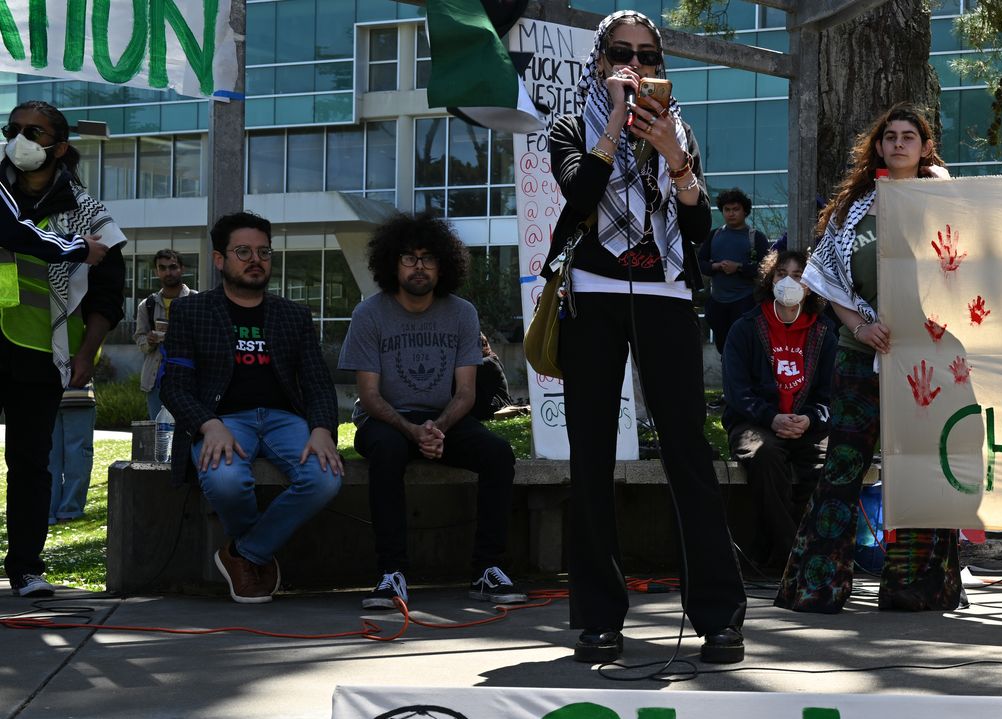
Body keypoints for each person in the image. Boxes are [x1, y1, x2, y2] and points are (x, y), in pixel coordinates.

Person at [545, 9, 746, 664]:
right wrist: (613, 119)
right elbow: (579, 198)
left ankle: (719, 616)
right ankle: (598, 618)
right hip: (595, 295)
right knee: (592, 455)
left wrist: (675, 161)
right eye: (623, 54)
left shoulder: (677, 128)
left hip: (664, 294)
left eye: (650, 56)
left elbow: (696, 234)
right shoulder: (571, 125)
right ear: (600, 62)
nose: (638, 65)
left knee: (688, 449)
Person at [777, 103, 964, 614]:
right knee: (843, 467)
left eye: (910, 136)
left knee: (920, 471)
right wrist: (860, 324)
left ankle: (917, 586)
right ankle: (818, 586)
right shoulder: (852, 210)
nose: (899, 143)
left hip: (926, 362)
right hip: (861, 356)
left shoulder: (946, 204)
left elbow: (967, 274)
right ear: (878, 147)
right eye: (890, 136)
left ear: (925, 147)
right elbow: (828, 282)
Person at [339, 210, 526, 611]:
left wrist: (436, 428)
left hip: (446, 419)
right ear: (393, 263)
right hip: (385, 419)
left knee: (497, 454)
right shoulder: (368, 314)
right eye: (409, 257)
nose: (418, 266)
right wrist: (413, 431)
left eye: (428, 257)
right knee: (386, 452)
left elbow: (466, 392)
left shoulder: (462, 312)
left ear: (444, 264)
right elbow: (369, 396)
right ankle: (392, 574)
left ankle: (486, 569)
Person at [160, 211, 344, 603]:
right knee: (226, 482)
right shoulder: (192, 312)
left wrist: (323, 429)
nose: (254, 259)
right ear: (219, 259)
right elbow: (173, 386)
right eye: (242, 251)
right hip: (223, 420)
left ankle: (244, 553)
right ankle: (256, 553)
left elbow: (316, 382)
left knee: (325, 478)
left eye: (263, 251)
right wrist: (208, 424)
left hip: (284, 420)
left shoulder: (293, 315)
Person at [0, 100, 114, 597]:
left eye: (35, 131)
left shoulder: (88, 210)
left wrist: (87, 352)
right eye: (14, 129)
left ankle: (25, 567)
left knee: (31, 462)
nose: (21, 138)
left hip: (40, 353)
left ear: (60, 146)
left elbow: (109, 290)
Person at [721, 247, 834, 570]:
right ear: (770, 280)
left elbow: (830, 396)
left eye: (798, 276)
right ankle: (794, 557)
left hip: (806, 426)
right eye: (782, 274)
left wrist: (809, 419)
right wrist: (772, 417)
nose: (790, 282)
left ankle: (794, 551)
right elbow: (736, 392)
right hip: (754, 423)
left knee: (827, 465)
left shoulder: (824, 333)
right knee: (765, 455)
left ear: (810, 285)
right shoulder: (746, 327)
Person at [697, 188, 769, 351]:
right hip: (718, 302)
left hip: (745, 301)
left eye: (736, 209)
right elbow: (700, 263)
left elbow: (766, 269)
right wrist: (715, 266)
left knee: (744, 346)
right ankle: (728, 373)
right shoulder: (714, 235)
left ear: (745, 211)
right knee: (723, 348)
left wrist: (739, 267)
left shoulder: (756, 237)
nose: (731, 213)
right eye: (727, 210)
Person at [135, 249, 193, 420]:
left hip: (187, 379)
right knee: (159, 431)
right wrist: (150, 340)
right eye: (163, 268)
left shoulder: (196, 300)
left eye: (173, 267)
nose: (168, 272)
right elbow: (139, 340)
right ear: (156, 272)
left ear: (182, 269)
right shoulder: (147, 305)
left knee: (188, 429)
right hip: (156, 380)